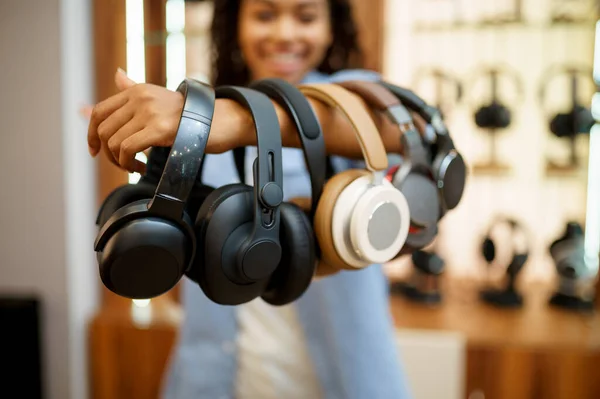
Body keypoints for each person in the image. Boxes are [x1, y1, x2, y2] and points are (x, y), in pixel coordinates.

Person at [87, 1, 417, 398]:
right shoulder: (198, 121)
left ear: (331, 29)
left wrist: (238, 120)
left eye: (306, 17)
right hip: (216, 379)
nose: (284, 33)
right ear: (236, 26)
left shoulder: (349, 98)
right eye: (265, 15)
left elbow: (401, 129)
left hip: (345, 379)